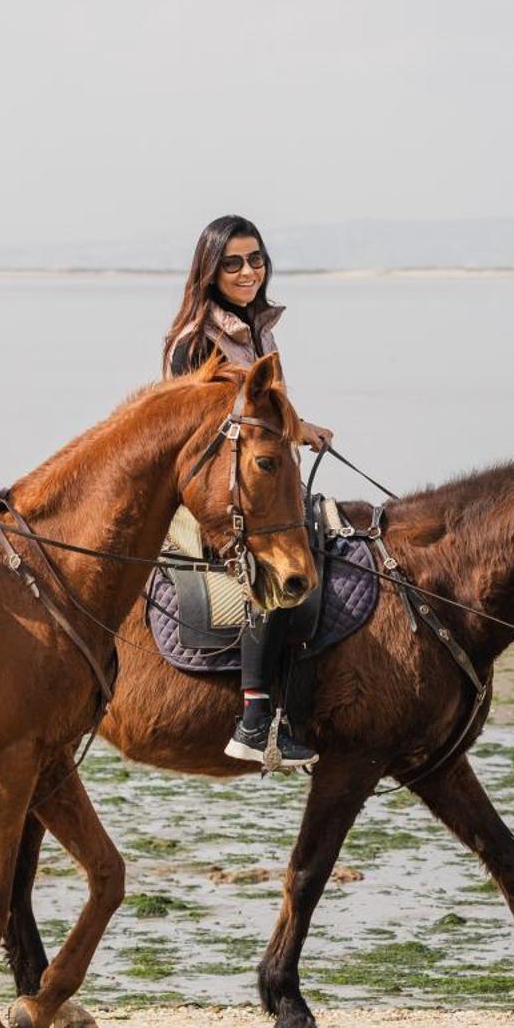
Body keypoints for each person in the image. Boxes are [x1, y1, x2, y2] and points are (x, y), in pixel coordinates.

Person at [162, 215, 332, 768]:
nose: (247, 271)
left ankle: (294, 708)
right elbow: (199, 427)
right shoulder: (193, 342)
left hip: (255, 480)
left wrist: (300, 429)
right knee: (271, 560)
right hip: (209, 492)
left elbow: (262, 416)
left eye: (255, 259)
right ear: (210, 271)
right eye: (233, 262)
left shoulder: (259, 328)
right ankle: (255, 716)